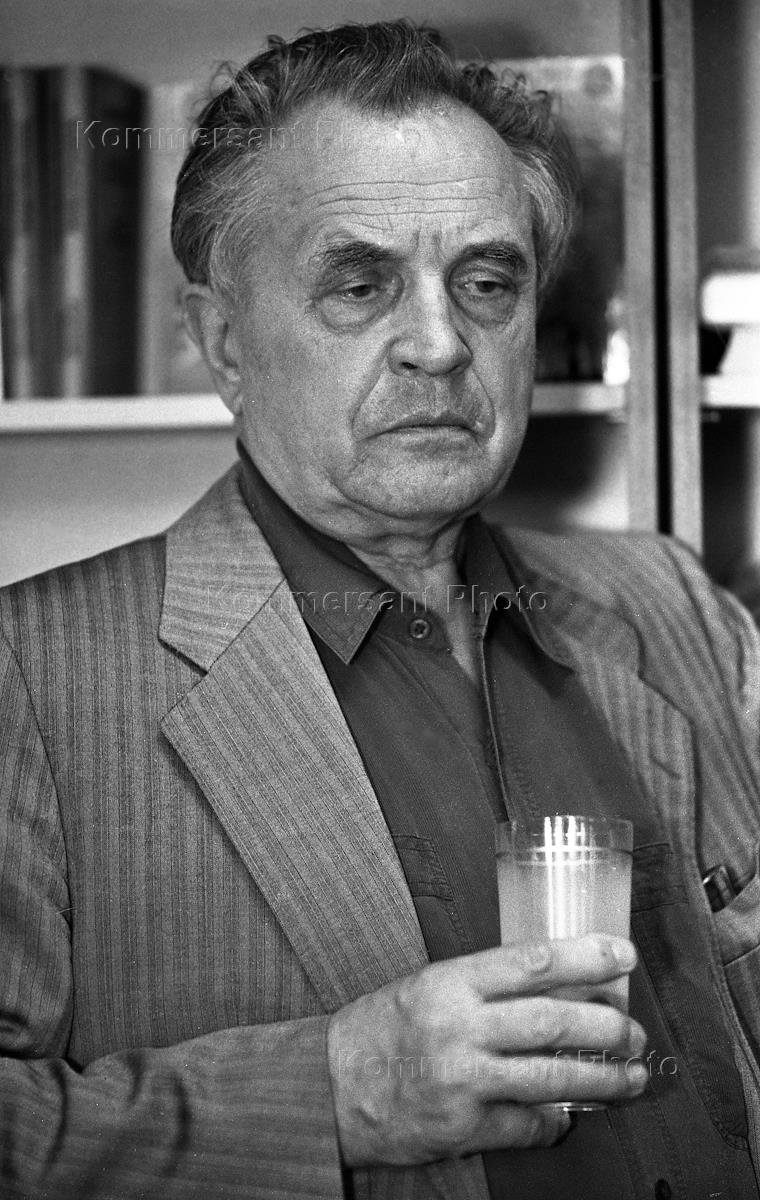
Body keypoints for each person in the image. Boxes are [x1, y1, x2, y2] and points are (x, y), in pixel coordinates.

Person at [1, 19, 759, 1200]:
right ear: (223, 345)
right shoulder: (31, 677)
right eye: (359, 286)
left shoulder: (672, 606)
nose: (440, 345)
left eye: (488, 283)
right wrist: (336, 1094)